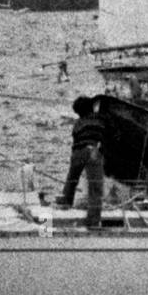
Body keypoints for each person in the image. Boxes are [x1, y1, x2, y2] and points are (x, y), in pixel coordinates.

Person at [60, 96, 106, 228]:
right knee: (95, 188)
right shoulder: (98, 120)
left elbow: (76, 139)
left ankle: (64, 207)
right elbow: (105, 135)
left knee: (71, 182)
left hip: (77, 152)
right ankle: (93, 223)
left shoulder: (78, 123)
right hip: (92, 151)